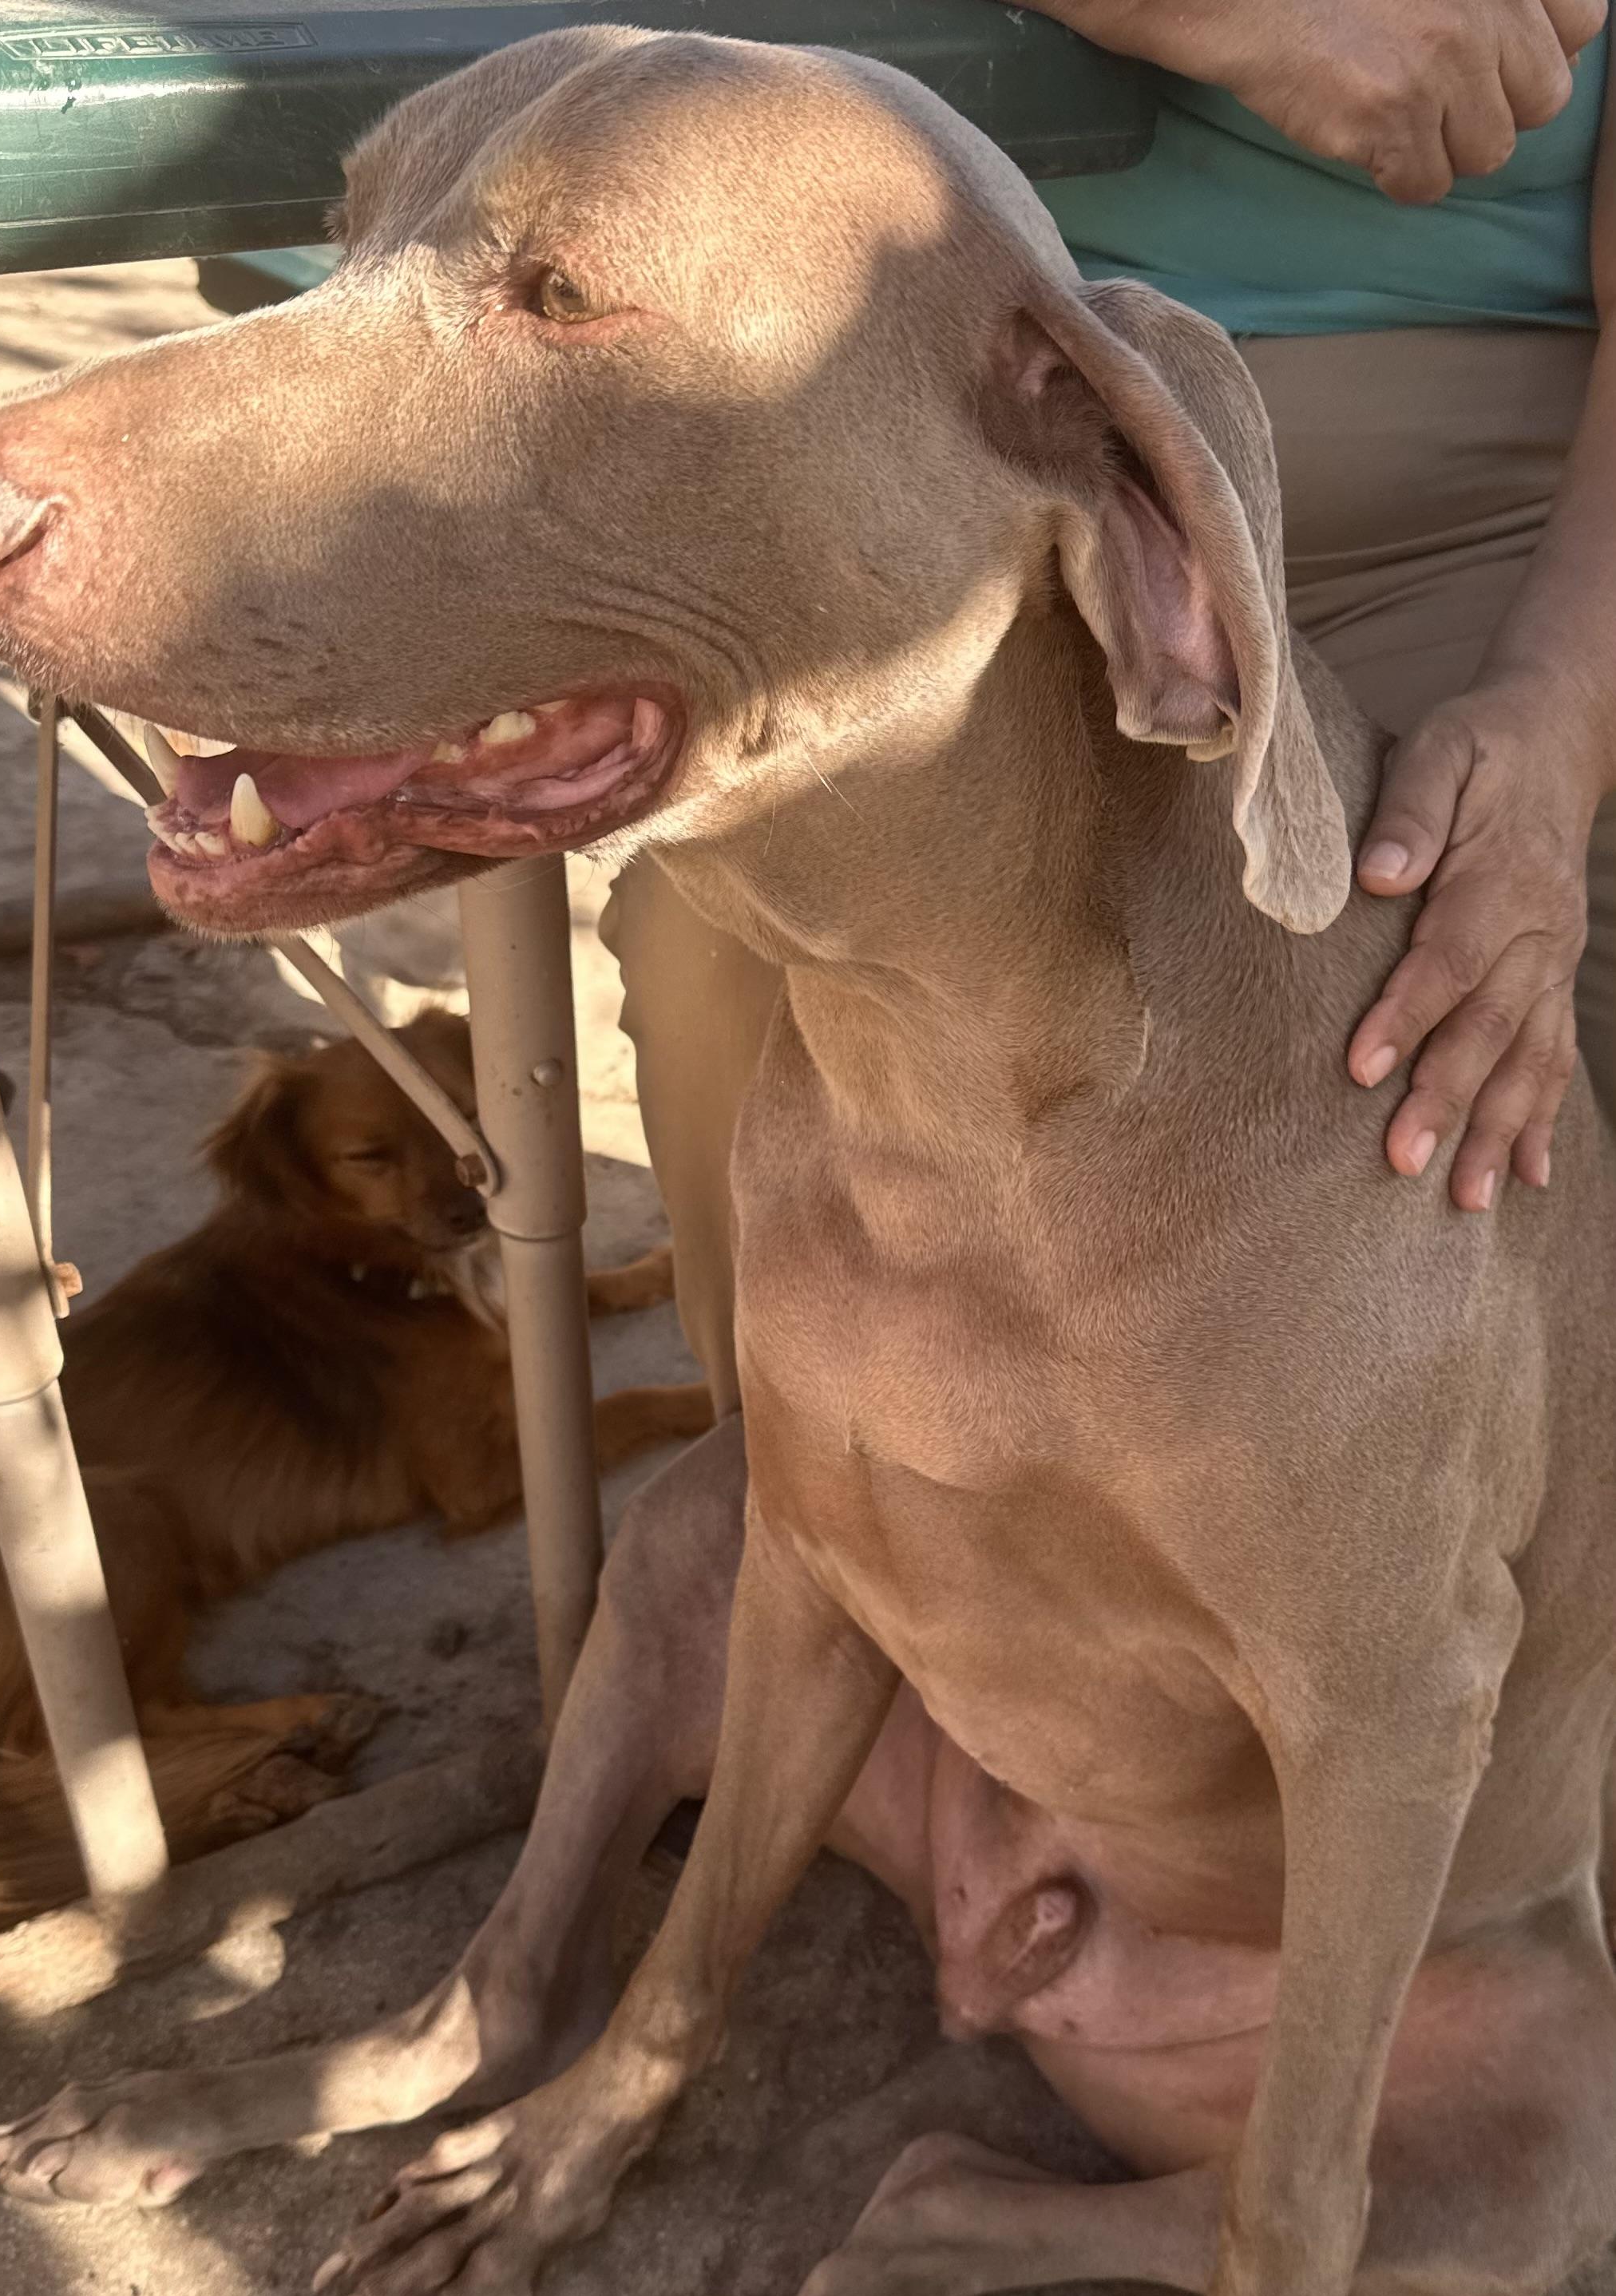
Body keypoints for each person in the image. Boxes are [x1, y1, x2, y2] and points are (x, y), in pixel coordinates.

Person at [605, 0, 1614, 1417]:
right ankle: (813, 1511)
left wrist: (1561, 727)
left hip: (1495, 510)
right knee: (732, 955)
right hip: (971, 428)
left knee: (1464, 1063)